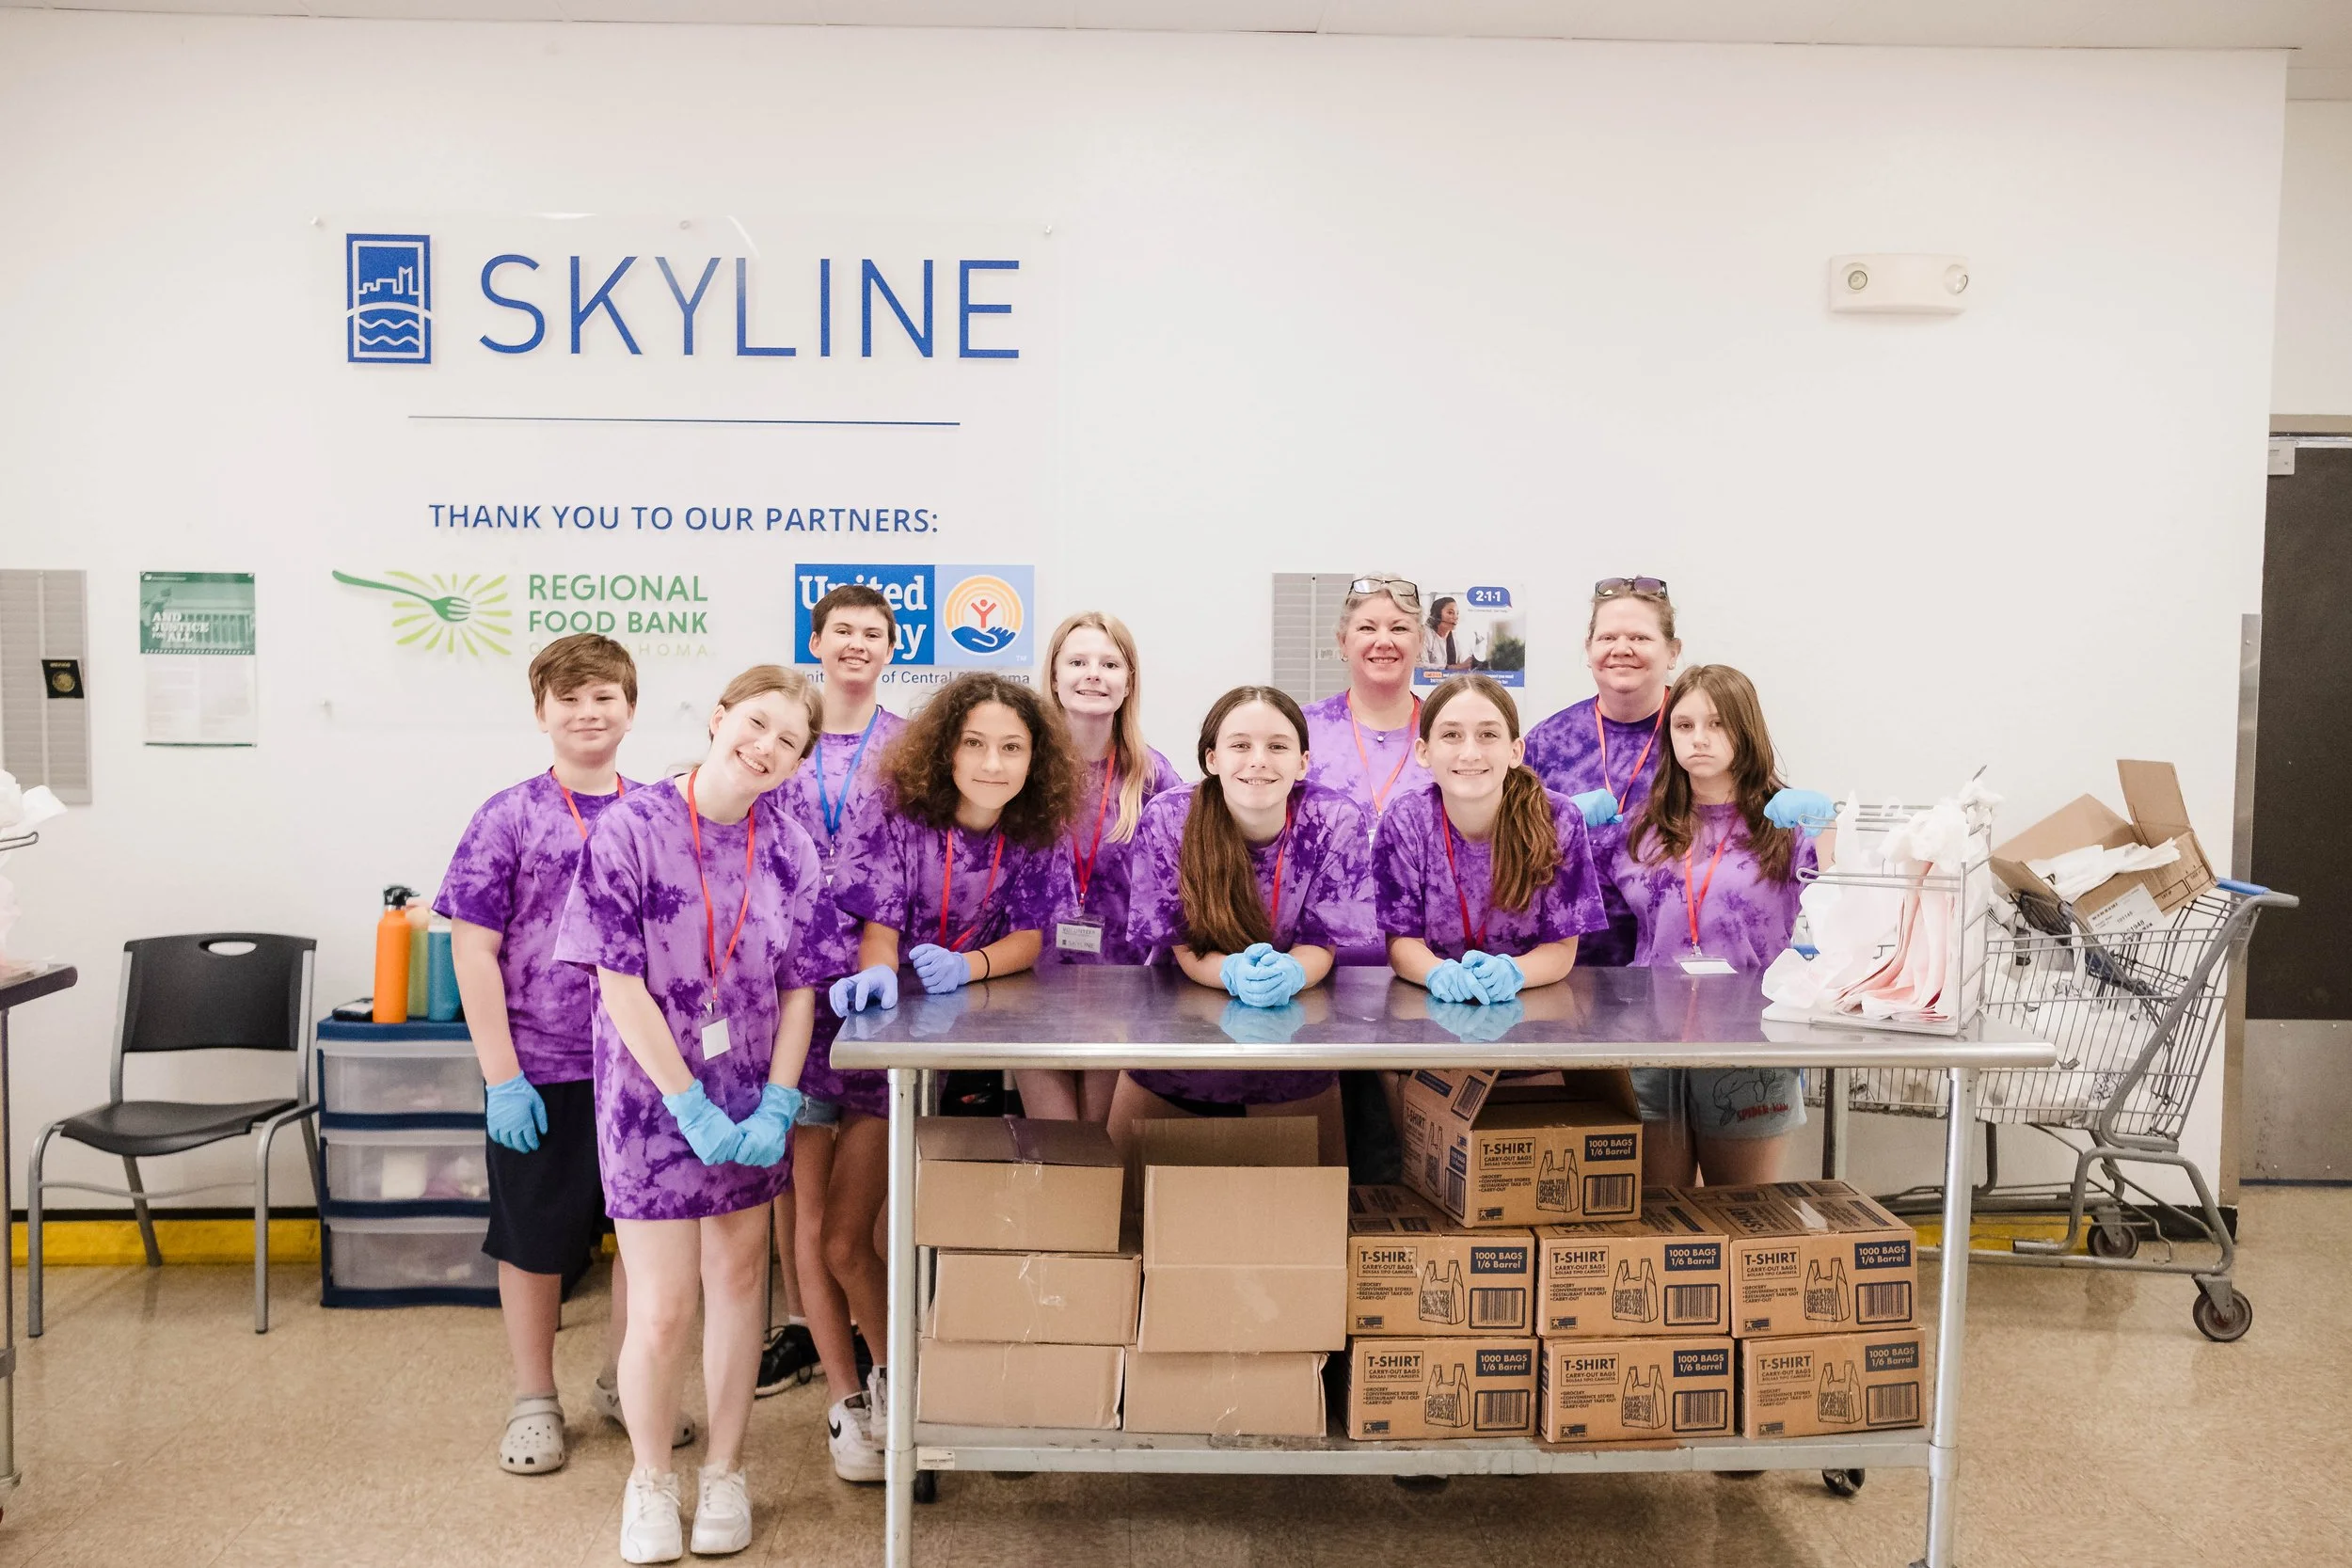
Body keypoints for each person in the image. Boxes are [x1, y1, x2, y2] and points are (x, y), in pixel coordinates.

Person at [554, 665, 826, 1563]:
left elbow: (800, 985)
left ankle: (725, 1471)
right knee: (665, 1307)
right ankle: (649, 1479)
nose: (766, 747)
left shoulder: (790, 845)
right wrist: (686, 1103)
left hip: (750, 1096)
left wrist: (780, 1098)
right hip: (650, 1101)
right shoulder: (630, 828)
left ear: (800, 762)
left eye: (789, 741)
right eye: (756, 723)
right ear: (718, 717)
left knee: (741, 1285)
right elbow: (616, 979)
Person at [440, 634, 695, 1478]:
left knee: (642, 1239)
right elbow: (472, 949)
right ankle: (533, 1398)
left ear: (631, 709)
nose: (588, 713)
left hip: (642, 1070)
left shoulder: (658, 811)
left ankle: (627, 1383)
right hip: (542, 1068)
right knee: (534, 1241)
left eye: (604, 697)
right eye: (570, 698)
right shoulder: (507, 815)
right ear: (541, 712)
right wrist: (502, 1076)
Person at [827, 672, 1077, 1440]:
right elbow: (877, 924)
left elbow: (1033, 936)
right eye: (975, 743)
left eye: (1012, 747)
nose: (993, 763)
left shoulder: (1037, 832)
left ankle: (982, 1380)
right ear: (946, 749)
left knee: (975, 1229)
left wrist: (970, 966)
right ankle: (894, 1375)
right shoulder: (894, 813)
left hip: (984, 1046)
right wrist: (880, 971)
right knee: (846, 1238)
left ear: (1035, 758)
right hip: (892, 1043)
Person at [759, 583, 906, 1470]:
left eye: (872, 633)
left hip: (881, 997)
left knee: (864, 1226)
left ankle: (894, 1377)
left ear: (892, 647)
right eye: (841, 630)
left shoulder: (911, 746)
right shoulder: (782, 735)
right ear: (815, 640)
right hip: (790, 1002)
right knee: (810, 1223)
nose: (856, 643)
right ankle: (843, 1400)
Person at [1117, 686, 1375, 1164]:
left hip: (1296, 1043)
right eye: (1240, 745)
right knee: (1136, 1200)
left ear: (1303, 762)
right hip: (1178, 1043)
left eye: (1277, 746)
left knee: (1305, 1204)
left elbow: (1321, 940)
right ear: (1211, 759)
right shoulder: (1169, 818)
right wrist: (1231, 972)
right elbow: (1182, 944)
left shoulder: (1335, 819)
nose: (1258, 760)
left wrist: (1292, 973)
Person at [1524, 578, 1830, 963]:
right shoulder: (1548, 742)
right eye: (1607, 637)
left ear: (1672, 651)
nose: (1622, 648)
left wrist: (1828, 829)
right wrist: (1557, 823)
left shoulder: (1697, 721)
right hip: (1572, 961)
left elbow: (1839, 902)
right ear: (1588, 649)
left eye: (1640, 637)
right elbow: (1508, 857)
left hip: (1685, 968)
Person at [1607, 664, 1826, 1188]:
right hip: (1652, 1040)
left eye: (1717, 724)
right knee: (1660, 1217)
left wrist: (1831, 829)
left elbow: (1846, 905)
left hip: (1749, 1041)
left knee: (1743, 1214)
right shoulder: (1642, 827)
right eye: (1684, 726)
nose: (1698, 739)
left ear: (1745, 731)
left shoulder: (1785, 825)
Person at [1025, 610, 1184, 1122]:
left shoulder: (1153, 776)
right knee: (1056, 1143)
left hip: (1121, 987)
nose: (1093, 674)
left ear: (1128, 682)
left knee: (1099, 1144)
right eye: (1078, 662)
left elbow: (1180, 885)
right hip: (1030, 984)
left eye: (1109, 664)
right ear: (1054, 676)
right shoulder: (1021, 767)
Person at [1375, 675, 1610, 1003]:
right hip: (1430, 1004)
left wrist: (1514, 973)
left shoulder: (1559, 820)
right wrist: (1437, 973)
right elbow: (1401, 942)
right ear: (1424, 752)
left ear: (1515, 751)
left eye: (1488, 735)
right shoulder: (1405, 821)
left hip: (1531, 1007)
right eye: (1451, 735)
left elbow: (1561, 948)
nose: (1470, 753)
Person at [1302, 574, 1433, 833]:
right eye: (1367, 628)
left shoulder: (1446, 730)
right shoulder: (1300, 728)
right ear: (1342, 642)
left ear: (1420, 642)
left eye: (1399, 628)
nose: (1383, 642)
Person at [1420, 596, 1470, 673]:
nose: (1456, 617)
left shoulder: (1455, 638)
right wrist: (1449, 668)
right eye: (1450, 613)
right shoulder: (1423, 634)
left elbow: (1461, 665)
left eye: (1457, 613)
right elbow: (1419, 666)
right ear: (1437, 615)